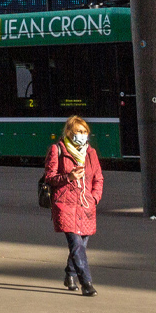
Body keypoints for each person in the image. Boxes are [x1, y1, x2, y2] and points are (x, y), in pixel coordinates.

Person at [42, 116, 104, 296]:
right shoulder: (57, 150)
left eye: (85, 132)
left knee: (81, 246)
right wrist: (68, 177)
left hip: (86, 205)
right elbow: (49, 178)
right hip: (65, 205)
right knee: (76, 245)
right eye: (78, 131)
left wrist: (94, 198)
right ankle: (87, 283)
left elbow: (98, 178)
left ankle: (70, 275)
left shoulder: (90, 153)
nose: (82, 135)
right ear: (69, 132)